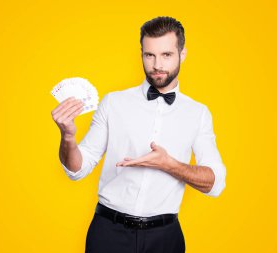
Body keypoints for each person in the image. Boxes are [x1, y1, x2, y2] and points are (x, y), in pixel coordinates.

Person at [51, 16, 226, 253]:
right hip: (108, 233)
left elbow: (215, 184)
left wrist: (169, 165)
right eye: (149, 55)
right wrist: (68, 138)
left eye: (166, 55)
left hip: (165, 239)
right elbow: (76, 170)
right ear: (141, 54)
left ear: (182, 54)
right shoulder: (113, 103)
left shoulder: (198, 113)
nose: (157, 65)